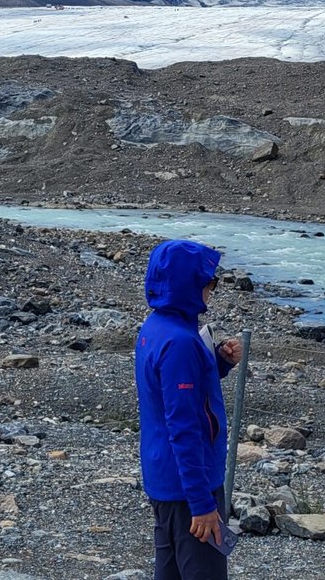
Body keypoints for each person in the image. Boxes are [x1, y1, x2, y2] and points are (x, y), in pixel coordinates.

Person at [135, 240, 243, 580]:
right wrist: (202, 504)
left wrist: (218, 364)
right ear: (189, 284)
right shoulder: (180, 342)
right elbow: (184, 426)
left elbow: (172, 392)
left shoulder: (157, 327)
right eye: (209, 281)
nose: (212, 288)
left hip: (164, 477)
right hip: (189, 487)